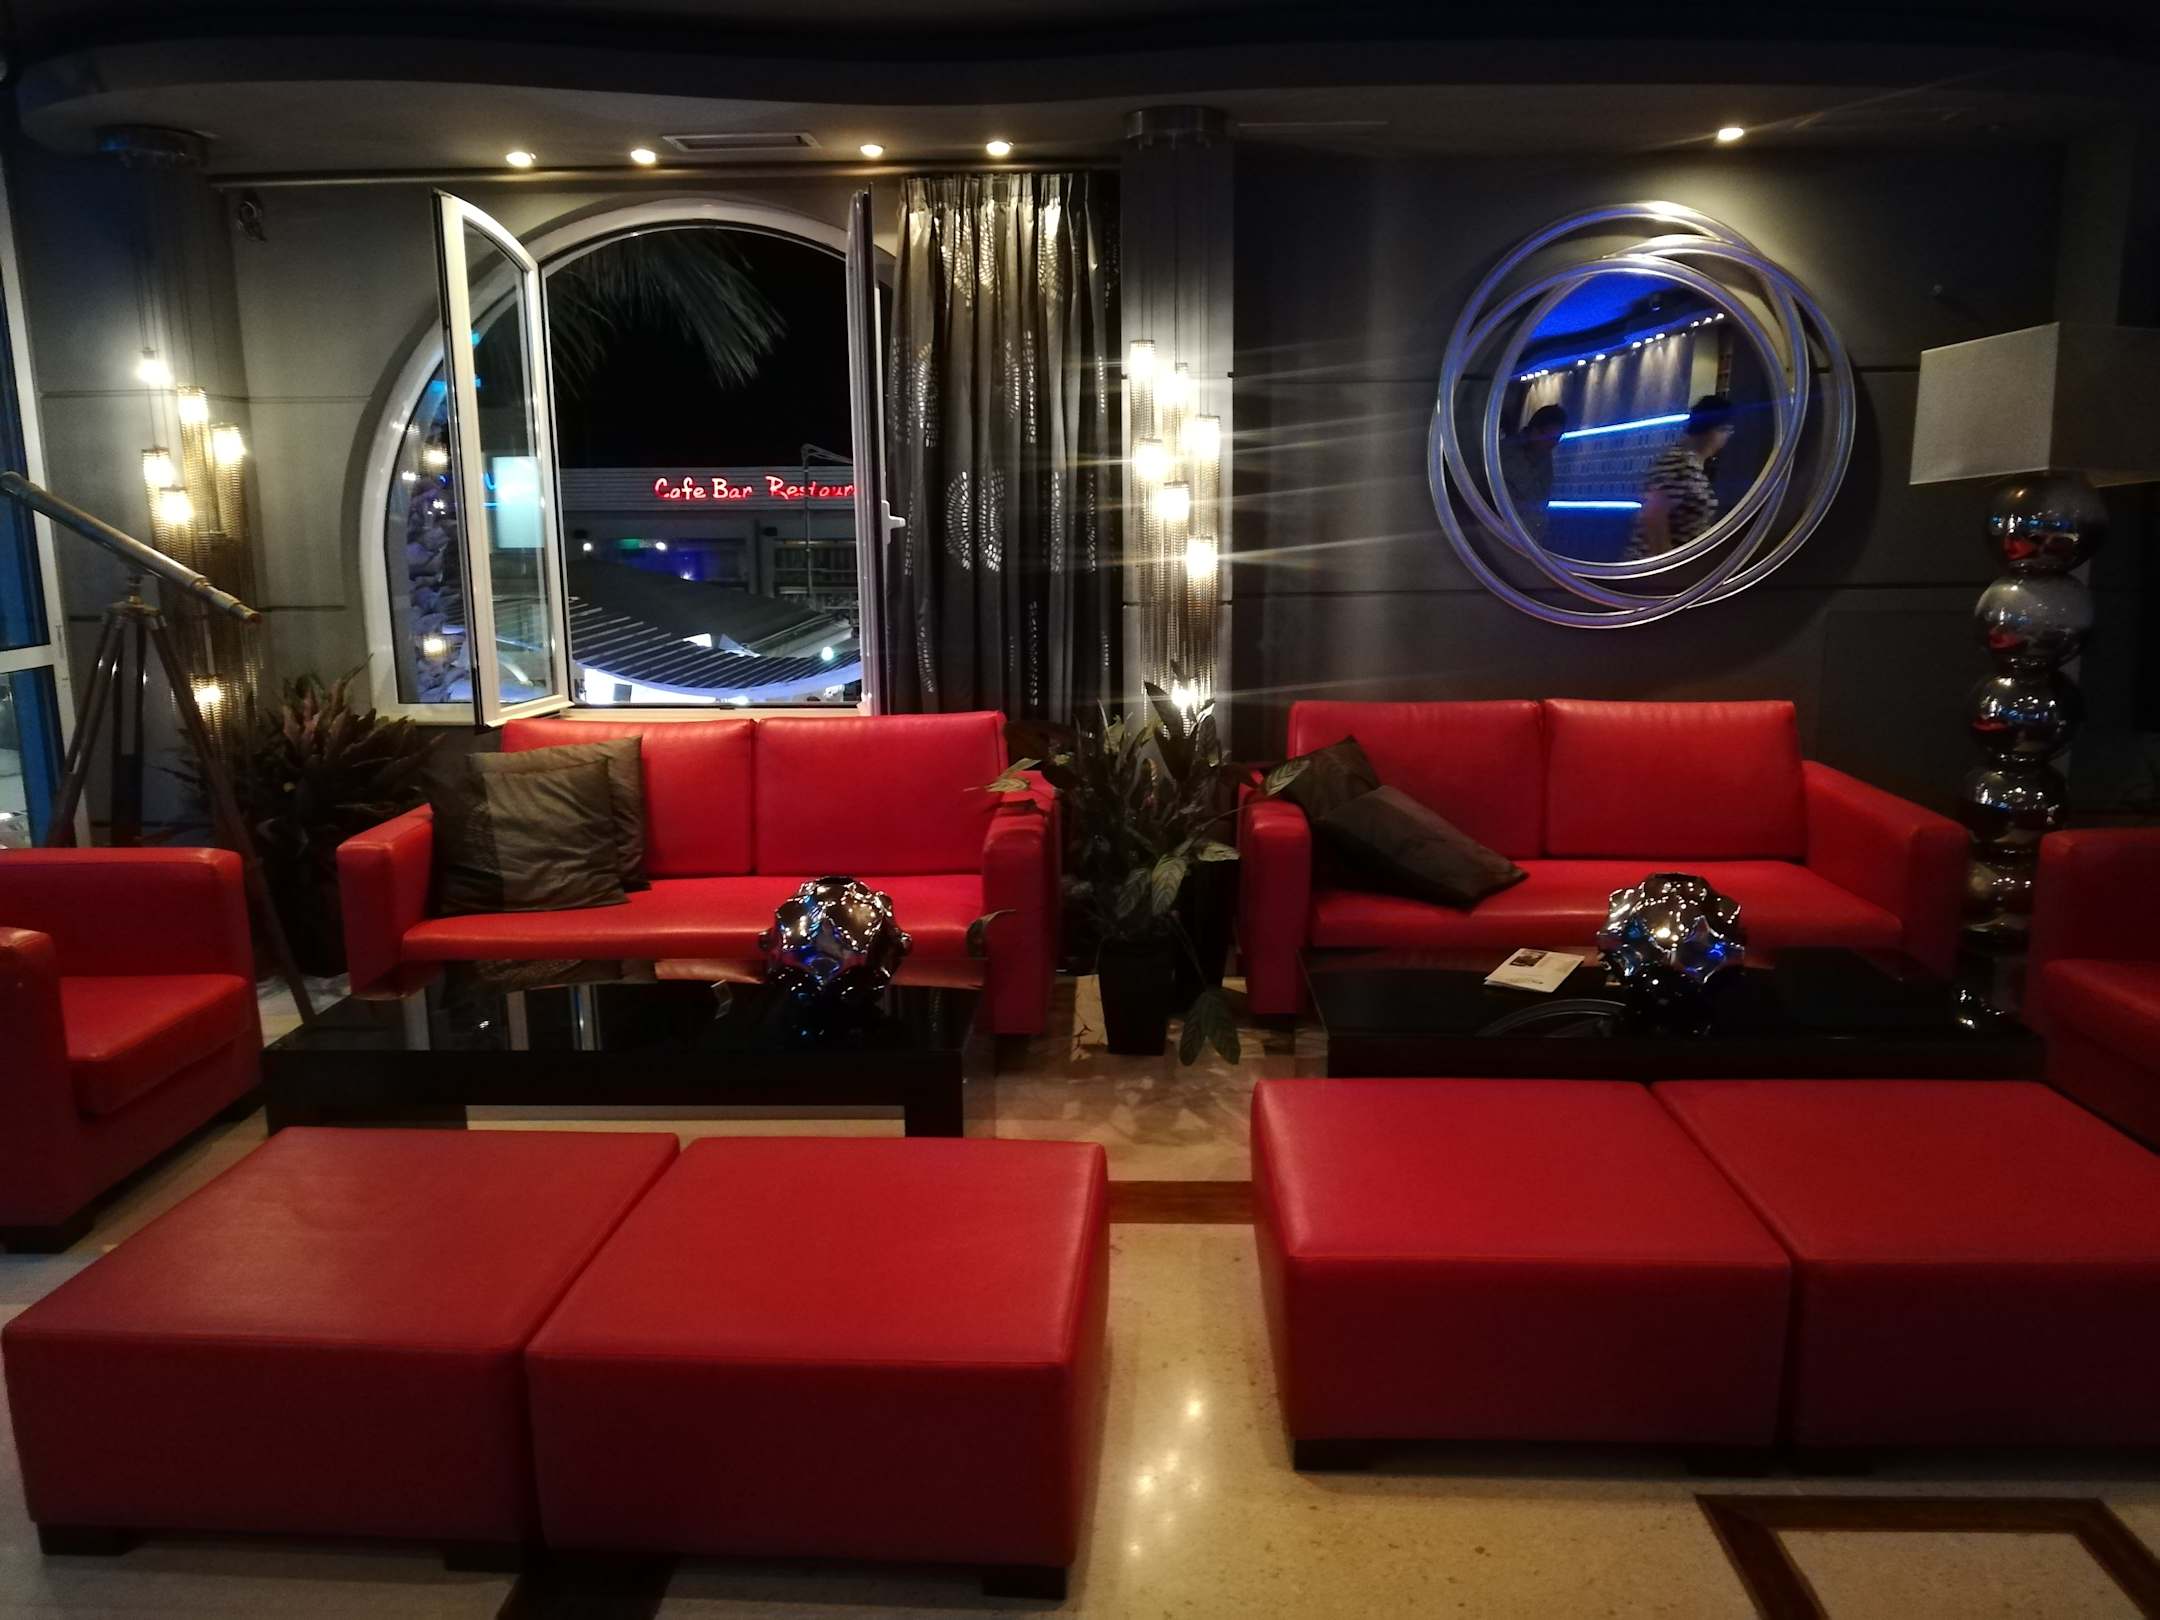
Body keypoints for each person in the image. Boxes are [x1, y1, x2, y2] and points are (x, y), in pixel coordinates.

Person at [1627, 394, 1734, 560]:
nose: (1727, 437)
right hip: (1656, 568)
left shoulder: (1692, 464)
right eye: (1726, 429)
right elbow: (1653, 515)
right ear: (1713, 429)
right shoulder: (1679, 462)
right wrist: (1668, 566)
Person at [1497, 403, 1567, 542]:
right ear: (1535, 431)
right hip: (1502, 534)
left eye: (1557, 439)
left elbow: (1540, 501)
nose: (1553, 444)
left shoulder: (1545, 458)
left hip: (1529, 539)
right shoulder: (1504, 453)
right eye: (1549, 437)